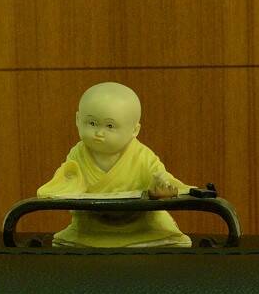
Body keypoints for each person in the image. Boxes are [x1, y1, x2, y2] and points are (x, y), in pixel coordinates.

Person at [37, 82, 192, 247]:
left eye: (110, 126)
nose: (99, 133)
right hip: (93, 225)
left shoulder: (142, 155)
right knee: (66, 243)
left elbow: (160, 178)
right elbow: (67, 179)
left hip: (140, 224)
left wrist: (161, 189)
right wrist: (67, 185)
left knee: (169, 242)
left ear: (134, 130)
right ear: (77, 120)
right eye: (92, 123)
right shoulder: (78, 153)